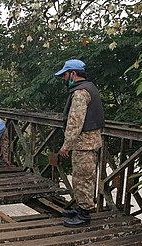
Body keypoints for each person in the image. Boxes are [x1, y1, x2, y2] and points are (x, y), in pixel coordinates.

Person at [55, 59, 105, 227]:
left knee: (83, 179)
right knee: (80, 177)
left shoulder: (80, 93)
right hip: (87, 143)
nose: (63, 78)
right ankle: (80, 208)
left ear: (73, 74)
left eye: (65, 74)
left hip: (84, 144)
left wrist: (66, 145)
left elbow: (75, 122)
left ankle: (84, 215)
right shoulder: (90, 88)